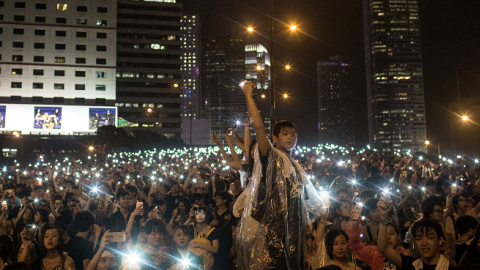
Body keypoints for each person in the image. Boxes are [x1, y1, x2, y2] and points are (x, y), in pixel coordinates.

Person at [240, 81, 324, 269]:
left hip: (297, 231)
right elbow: (259, 128)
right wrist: (248, 96)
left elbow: (304, 204)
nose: (290, 137)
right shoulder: (270, 158)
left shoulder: (296, 168)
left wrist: (309, 234)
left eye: (293, 134)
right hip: (275, 230)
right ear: (274, 139)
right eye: (285, 134)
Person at [378, 207, 456, 270]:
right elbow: (384, 248)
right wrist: (383, 217)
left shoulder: (449, 268)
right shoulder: (412, 265)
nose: (424, 243)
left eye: (430, 237)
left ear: (440, 240)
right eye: (419, 238)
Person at [212, 191, 236, 270]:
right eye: (216, 198)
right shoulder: (212, 213)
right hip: (214, 243)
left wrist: (233, 246)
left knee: (226, 265)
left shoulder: (229, 214)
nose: (216, 200)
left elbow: (233, 231)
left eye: (219, 198)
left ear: (225, 200)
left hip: (226, 243)